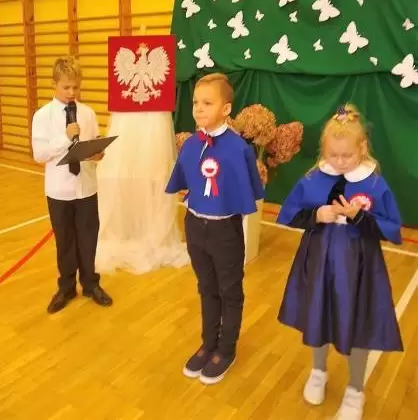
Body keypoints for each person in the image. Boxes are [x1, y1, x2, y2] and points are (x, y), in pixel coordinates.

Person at [277, 104, 403, 420]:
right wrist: (317, 214)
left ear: (362, 148)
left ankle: (356, 389)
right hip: (319, 260)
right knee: (317, 312)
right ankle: (318, 371)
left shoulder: (374, 183)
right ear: (324, 150)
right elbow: (290, 213)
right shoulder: (313, 177)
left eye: (347, 155)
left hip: (359, 266)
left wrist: (360, 217)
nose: (340, 161)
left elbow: (391, 228)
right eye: (333, 155)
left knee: (359, 321)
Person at [165, 73, 265, 385]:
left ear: (226, 108)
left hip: (225, 232)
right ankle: (208, 343)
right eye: (195, 102)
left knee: (229, 291)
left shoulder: (238, 149)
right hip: (195, 226)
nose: (198, 108)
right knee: (206, 287)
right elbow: (185, 182)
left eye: (207, 103)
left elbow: (249, 189)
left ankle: (226, 348)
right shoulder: (191, 145)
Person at [32, 56, 113, 314]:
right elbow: (39, 154)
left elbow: (93, 142)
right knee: (65, 241)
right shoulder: (42, 116)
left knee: (88, 239)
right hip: (59, 191)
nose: (71, 92)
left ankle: (90, 284)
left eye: (76, 87)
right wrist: (65, 138)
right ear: (54, 83)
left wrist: (98, 153)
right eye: (66, 87)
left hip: (87, 188)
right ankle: (66, 287)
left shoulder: (88, 113)